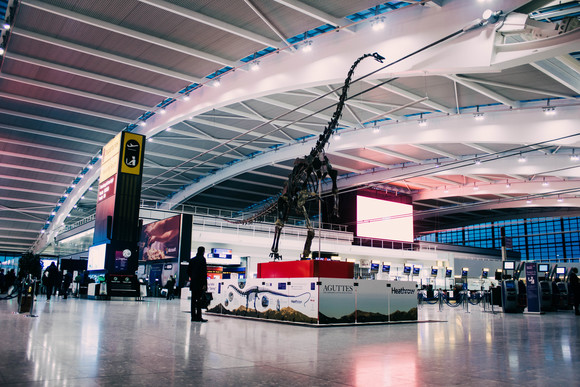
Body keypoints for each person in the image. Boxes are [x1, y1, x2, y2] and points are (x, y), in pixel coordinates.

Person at [188, 246, 208, 322]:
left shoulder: (192, 260)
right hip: (200, 284)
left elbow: (188, 271)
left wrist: (192, 277)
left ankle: (193, 317)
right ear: (203, 251)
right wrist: (204, 284)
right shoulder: (202, 259)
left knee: (193, 300)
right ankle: (199, 317)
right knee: (199, 300)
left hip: (193, 283)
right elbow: (204, 273)